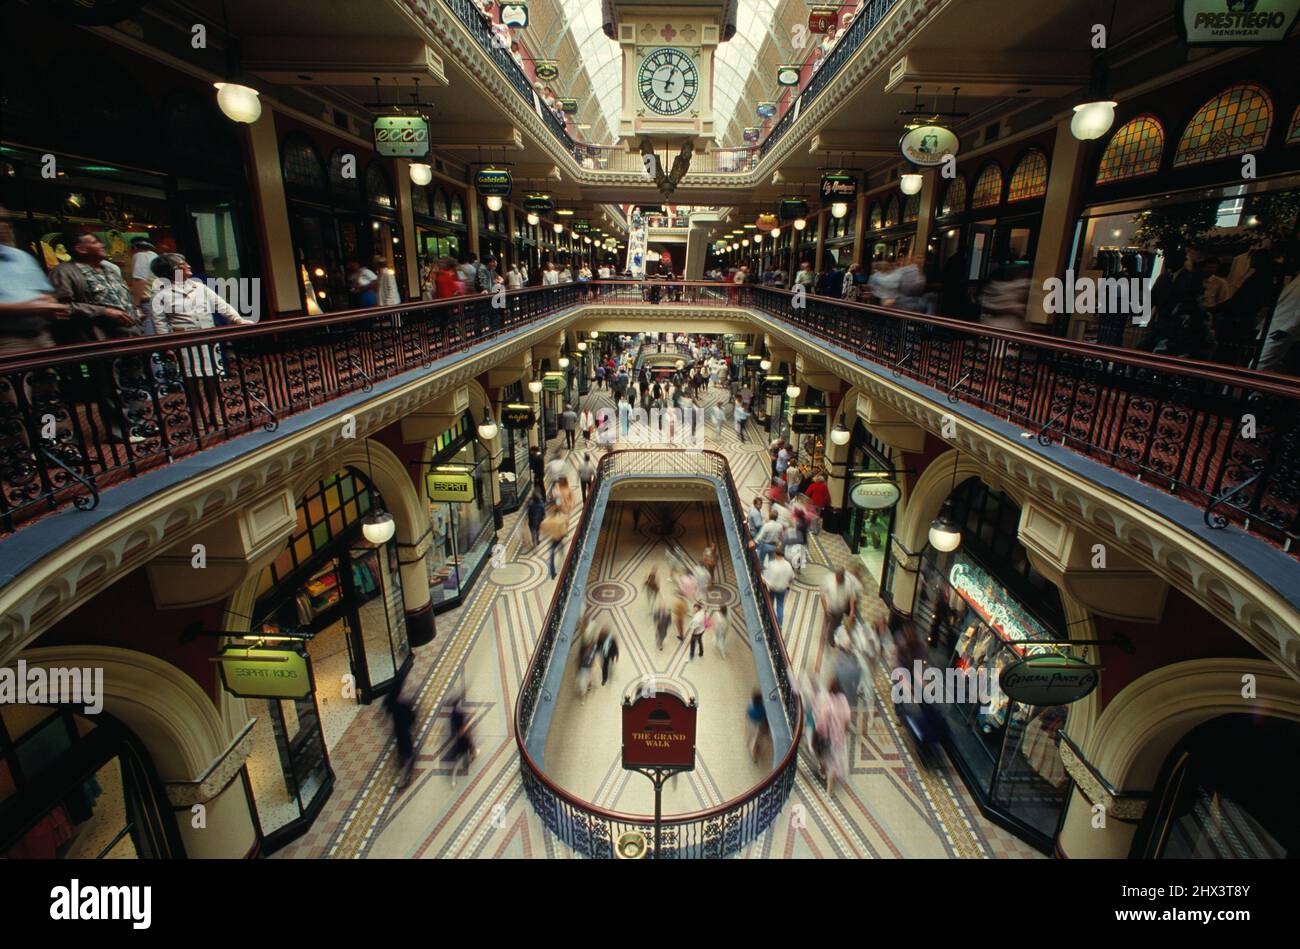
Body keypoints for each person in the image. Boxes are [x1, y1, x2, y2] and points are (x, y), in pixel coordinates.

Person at [0, 207, 66, 355]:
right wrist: (30, 307)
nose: (4, 226)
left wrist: (50, 304)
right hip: (6, 342)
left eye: (5, 220)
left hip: (42, 337)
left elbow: (45, 292)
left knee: (51, 377)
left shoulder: (22, 257)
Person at [814, 680, 852, 794]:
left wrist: (819, 731)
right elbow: (847, 719)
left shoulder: (826, 701)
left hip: (827, 736)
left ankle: (824, 770)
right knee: (835, 758)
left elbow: (821, 721)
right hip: (839, 736)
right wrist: (844, 731)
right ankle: (831, 781)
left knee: (823, 753)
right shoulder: (843, 700)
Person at [385, 682, 417, 790]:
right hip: (404, 733)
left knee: (402, 752)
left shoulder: (393, 705)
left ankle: (400, 765)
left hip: (398, 733)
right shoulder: (402, 706)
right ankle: (401, 780)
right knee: (409, 756)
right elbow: (411, 717)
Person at [128, 236, 159, 334]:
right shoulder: (155, 256)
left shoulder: (140, 256)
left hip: (148, 301)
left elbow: (139, 280)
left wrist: (135, 305)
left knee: (149, 332)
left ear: (135, 248)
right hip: (159, 299)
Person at [445, 693, 476, 788]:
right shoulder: (459, 714)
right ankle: (453, 781)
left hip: (460, 740)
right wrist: (469, 723)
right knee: (460, 759)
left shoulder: (453, 715)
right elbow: (463, 730)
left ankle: (472, 755)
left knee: (467, 752)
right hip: (462, 740)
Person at [820, 567, 857, 644]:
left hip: (840, 611)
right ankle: (828, 634)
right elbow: (823, 596)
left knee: (835, 625)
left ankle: (831, 638)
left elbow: (852, 597)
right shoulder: (828, 580)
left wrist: (852, 612)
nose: (839, 581)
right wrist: (825, 609)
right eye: (838, 579)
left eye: (841, 579)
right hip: (829, 609)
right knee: (829, 622)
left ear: (843, 576)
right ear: (835, 575)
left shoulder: (848, 583)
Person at [762, 546, 794, 627]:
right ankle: (780, 625)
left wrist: (762, 576)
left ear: (776, 554)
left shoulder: (772, 564)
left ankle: (769, 619)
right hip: (782, 589)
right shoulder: (788, 565)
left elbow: (766, 579)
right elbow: (791, 578)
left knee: (770, 604)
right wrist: (788, 586)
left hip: (773, 589)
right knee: (780, 606)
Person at [541, 503, 567, 579]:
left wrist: (547, 533)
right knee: (562, 553)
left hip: (552, 540)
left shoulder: (547, 521)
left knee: (551, 557)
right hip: (559, 539)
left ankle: (552, 573)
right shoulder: (560, 520)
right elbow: (564, 532)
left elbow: (542, 528)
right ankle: (564, 568)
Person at [745, 690, 770, 763]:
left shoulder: (750, 705)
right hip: (757, 726)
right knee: (755, 740)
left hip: (750, 723)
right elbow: (764, 719)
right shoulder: (761, 709)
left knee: (750, 736)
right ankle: (754, 756)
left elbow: (747, 714)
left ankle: (748, 743)